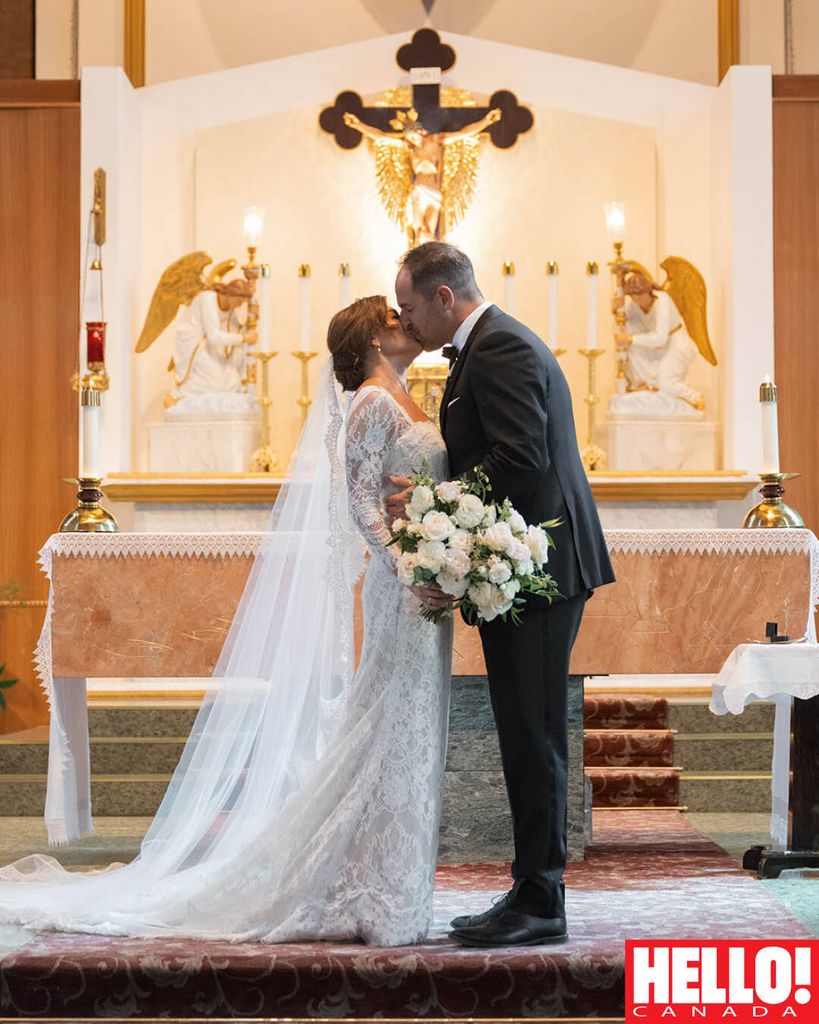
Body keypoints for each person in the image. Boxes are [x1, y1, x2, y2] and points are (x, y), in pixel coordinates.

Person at [0, 297, 452, 949]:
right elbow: (359, 501)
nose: (405, 325)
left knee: (399, 732)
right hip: (402, 592)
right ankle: (367, 888)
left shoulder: (401, 394)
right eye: (393, 319)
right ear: (372, 340)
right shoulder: (371, 403)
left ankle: (386, 882)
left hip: (420, 589)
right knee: (384, 730)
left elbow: (403, 487)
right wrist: (410, 568)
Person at [391, 242, 615, 948]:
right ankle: (528, 886)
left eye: (408, 307)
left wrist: (435, 499)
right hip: (521, 567)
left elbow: (522, 458)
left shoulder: (498, 349)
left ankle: (541, 897)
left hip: (539, 569)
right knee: (524, 729)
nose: (406, 321)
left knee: (533, 731)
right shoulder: (486, 346)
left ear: (443, 297)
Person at [613, 272, 704, 410]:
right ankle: (643, 384)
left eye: (639, 295)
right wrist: (616, 309)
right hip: (657, 348)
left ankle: (695, 398)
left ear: (648, 291)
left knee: (666, 382)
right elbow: (626, 325)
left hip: (676, 344)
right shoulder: (634, 305)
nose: (637, 300)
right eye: (633, 296)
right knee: (632, 348)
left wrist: (631, 339)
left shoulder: (662, 300)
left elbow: (661, 337)